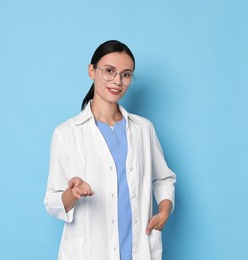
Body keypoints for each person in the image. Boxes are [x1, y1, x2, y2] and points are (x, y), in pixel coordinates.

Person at [44, 40, 176, 260]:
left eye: (126, 74)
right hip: (89, 252)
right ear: (91, 71)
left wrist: (164, 210)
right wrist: (73, 194)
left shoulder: (143, 129)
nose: (117, 81)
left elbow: (163, 178)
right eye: (109, 71)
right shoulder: (66, 133)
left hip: (138, 250)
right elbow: (52, 202)